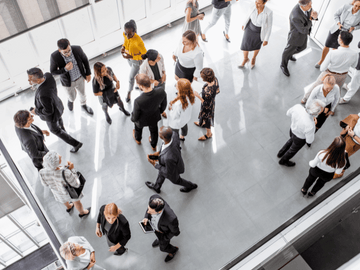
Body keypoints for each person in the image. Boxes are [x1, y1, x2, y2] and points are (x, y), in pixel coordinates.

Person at [28, 68, 83, 153]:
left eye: (30, 79)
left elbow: (48, 111)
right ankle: (63, 130)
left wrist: (36, 111)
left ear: (38, 80)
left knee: (55, 130)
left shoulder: (43, 94)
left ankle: (76, 144)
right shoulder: (48, 76)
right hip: (57, 106)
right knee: (59, 120)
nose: (28, 81)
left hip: (51, 116)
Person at [302, 31, 357, 103]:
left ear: (340, 40)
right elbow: (354, 66)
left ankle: (305, 98)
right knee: (337, 91)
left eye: (338, 37)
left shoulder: (332, 52)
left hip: (329, 74)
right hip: (343, 76)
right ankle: (333, 105)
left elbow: (322, 68)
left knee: (316, 85)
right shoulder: (355, 53)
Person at [145, 126, 198, 193]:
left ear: (162, 137)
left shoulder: (168, 158)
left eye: (159, 134)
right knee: (161, 174)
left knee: (176, 180)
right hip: (171, 161)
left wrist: (155, 165)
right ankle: (157, 187)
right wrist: (158, 153)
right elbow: (165, 147)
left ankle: (191, 186)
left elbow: (168, 172)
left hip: (172, 170)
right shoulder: (174, 135)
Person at [39, 151, 90, 218]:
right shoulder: (65, 173)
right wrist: (72, 170)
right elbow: (76, 184)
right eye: (58, 156)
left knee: (63, 200)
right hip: (70, 193)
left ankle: (69, 207)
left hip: (58, 193)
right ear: (56, 162)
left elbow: (45, 184)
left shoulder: (42, 172)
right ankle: (82, 212)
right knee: (76, 202)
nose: (60, 156)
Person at [50, 38, 93, 115]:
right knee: (72, 97)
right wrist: (65, 69)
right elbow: (53, 72)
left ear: (70, 46)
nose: (68, 54)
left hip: (80, 78)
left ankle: (83, 105)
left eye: (69, 50)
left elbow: (85, 59)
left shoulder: (77, 49)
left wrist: (88, 73)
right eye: (65, 52)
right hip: (68, 83)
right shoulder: (54, 56)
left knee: (82, 94)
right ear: (59, 50)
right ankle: (70, 100)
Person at [277, 100, 325, 167]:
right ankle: (283, 161)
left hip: (292, 130)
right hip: (299, 138)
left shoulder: (297, 107)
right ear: (315, 113)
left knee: (290, 140)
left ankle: (280, 153)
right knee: (292, 150)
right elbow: (309, 140)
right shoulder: (311, 125)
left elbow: (288, 113)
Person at [315, 1, 360, 68]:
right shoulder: (345, 6)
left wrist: (354, 27)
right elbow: (336, 15)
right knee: (327, 45)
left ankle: (328, 63)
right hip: (336, 29)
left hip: (346, 33)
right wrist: (338, 23)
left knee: (335, 49)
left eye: (359, 7)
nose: (357, 8)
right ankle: (321, 60)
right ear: (353, 3)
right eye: (356, 5)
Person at [280, 0, 318, 77]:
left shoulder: (307, 6)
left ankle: (290, 55)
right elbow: (303, 30)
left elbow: (310, 15)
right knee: (287, 51)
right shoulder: (295, 16)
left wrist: (315, 17)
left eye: (311, 4)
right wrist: (311, 20)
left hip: (303, 34)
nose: (311, 7)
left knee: (303, 47)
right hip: (295, 36)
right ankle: (283, 65)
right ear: (302, 6)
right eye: (309, 5)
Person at [131, 74, 167, 151]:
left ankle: (138, 139)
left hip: (141, 120)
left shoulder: (138, 101)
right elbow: (164, 104)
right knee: (154, 131)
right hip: (154, 117)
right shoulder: (161, 91)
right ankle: (153, 145)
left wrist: (132, 118)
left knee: (138, 128)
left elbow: (135, 117)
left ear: (140, 86)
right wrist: (159, 111)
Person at [142, 195, 180, 262]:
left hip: (164, 233)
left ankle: (173, 250)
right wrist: (146, 217)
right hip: (157, 229)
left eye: (150, 212)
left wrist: (164, 238)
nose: (148, 212)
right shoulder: (154, 198)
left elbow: (176, 232)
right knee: (158, 236)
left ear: (159, 211)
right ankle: (158, 239)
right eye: (148, 209)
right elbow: (148, 210)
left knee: (163, 248)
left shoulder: (171, 219)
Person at [239, 0, 273, 69]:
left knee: (256, 46)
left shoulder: (269, 12)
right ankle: (245, 59)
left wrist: (266, 39)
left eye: (259, 3)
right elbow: (248, 15)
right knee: (245, 44)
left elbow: (269, 27)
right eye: (256, 2)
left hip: (259, 32)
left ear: (264, 3)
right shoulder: (252, 5)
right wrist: (243, 24)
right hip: (249, 28)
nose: (256, 4)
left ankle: (253, 58)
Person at [121, 20, 147, 102]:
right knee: (137, 73)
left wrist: (132, 56)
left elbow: (144, 55)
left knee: (131, 77)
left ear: (134, 31)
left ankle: (129, 93)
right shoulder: (125, 34)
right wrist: (123, 47)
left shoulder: (138, 41)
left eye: (130, 34)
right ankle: (139, 84)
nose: (127, 36)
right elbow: (125, 42)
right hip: (129, 60)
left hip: (136, 61)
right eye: (126, 33)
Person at [194, 68, 219, 141]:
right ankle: (201, 122)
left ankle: (209, 133)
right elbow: (217, 90)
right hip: (211, 102)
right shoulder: (215, 79)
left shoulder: (208, 90)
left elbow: (205, 103)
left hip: (207, 106)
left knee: (207, 118)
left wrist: (198, 96)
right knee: (203, 114)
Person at [335, 112, 360, 178]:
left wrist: (353, 135)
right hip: (349, 134)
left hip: (354, 142)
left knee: (342, 156)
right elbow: (358, 116)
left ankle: (337, 172)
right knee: (338, 149)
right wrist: (350, 126)